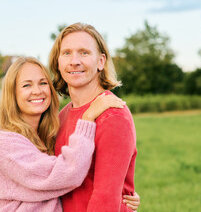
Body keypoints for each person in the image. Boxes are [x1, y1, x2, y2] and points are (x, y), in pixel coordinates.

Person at [0, 57, 138, 211]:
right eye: (26, 85)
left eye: (43, 83)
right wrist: (88, 118)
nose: (37, 91)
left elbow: (59, 186)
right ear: (12, 93)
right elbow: (68, 173)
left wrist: (119, 195)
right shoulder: (1, 142)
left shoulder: (45, 137)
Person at [49, 22, 138, 211]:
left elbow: (105, 199)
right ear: (58, 62)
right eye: (66, 53)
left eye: (84, 52)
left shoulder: (113, 115)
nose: (74, 61)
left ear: (101, 61)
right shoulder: (62, 116)